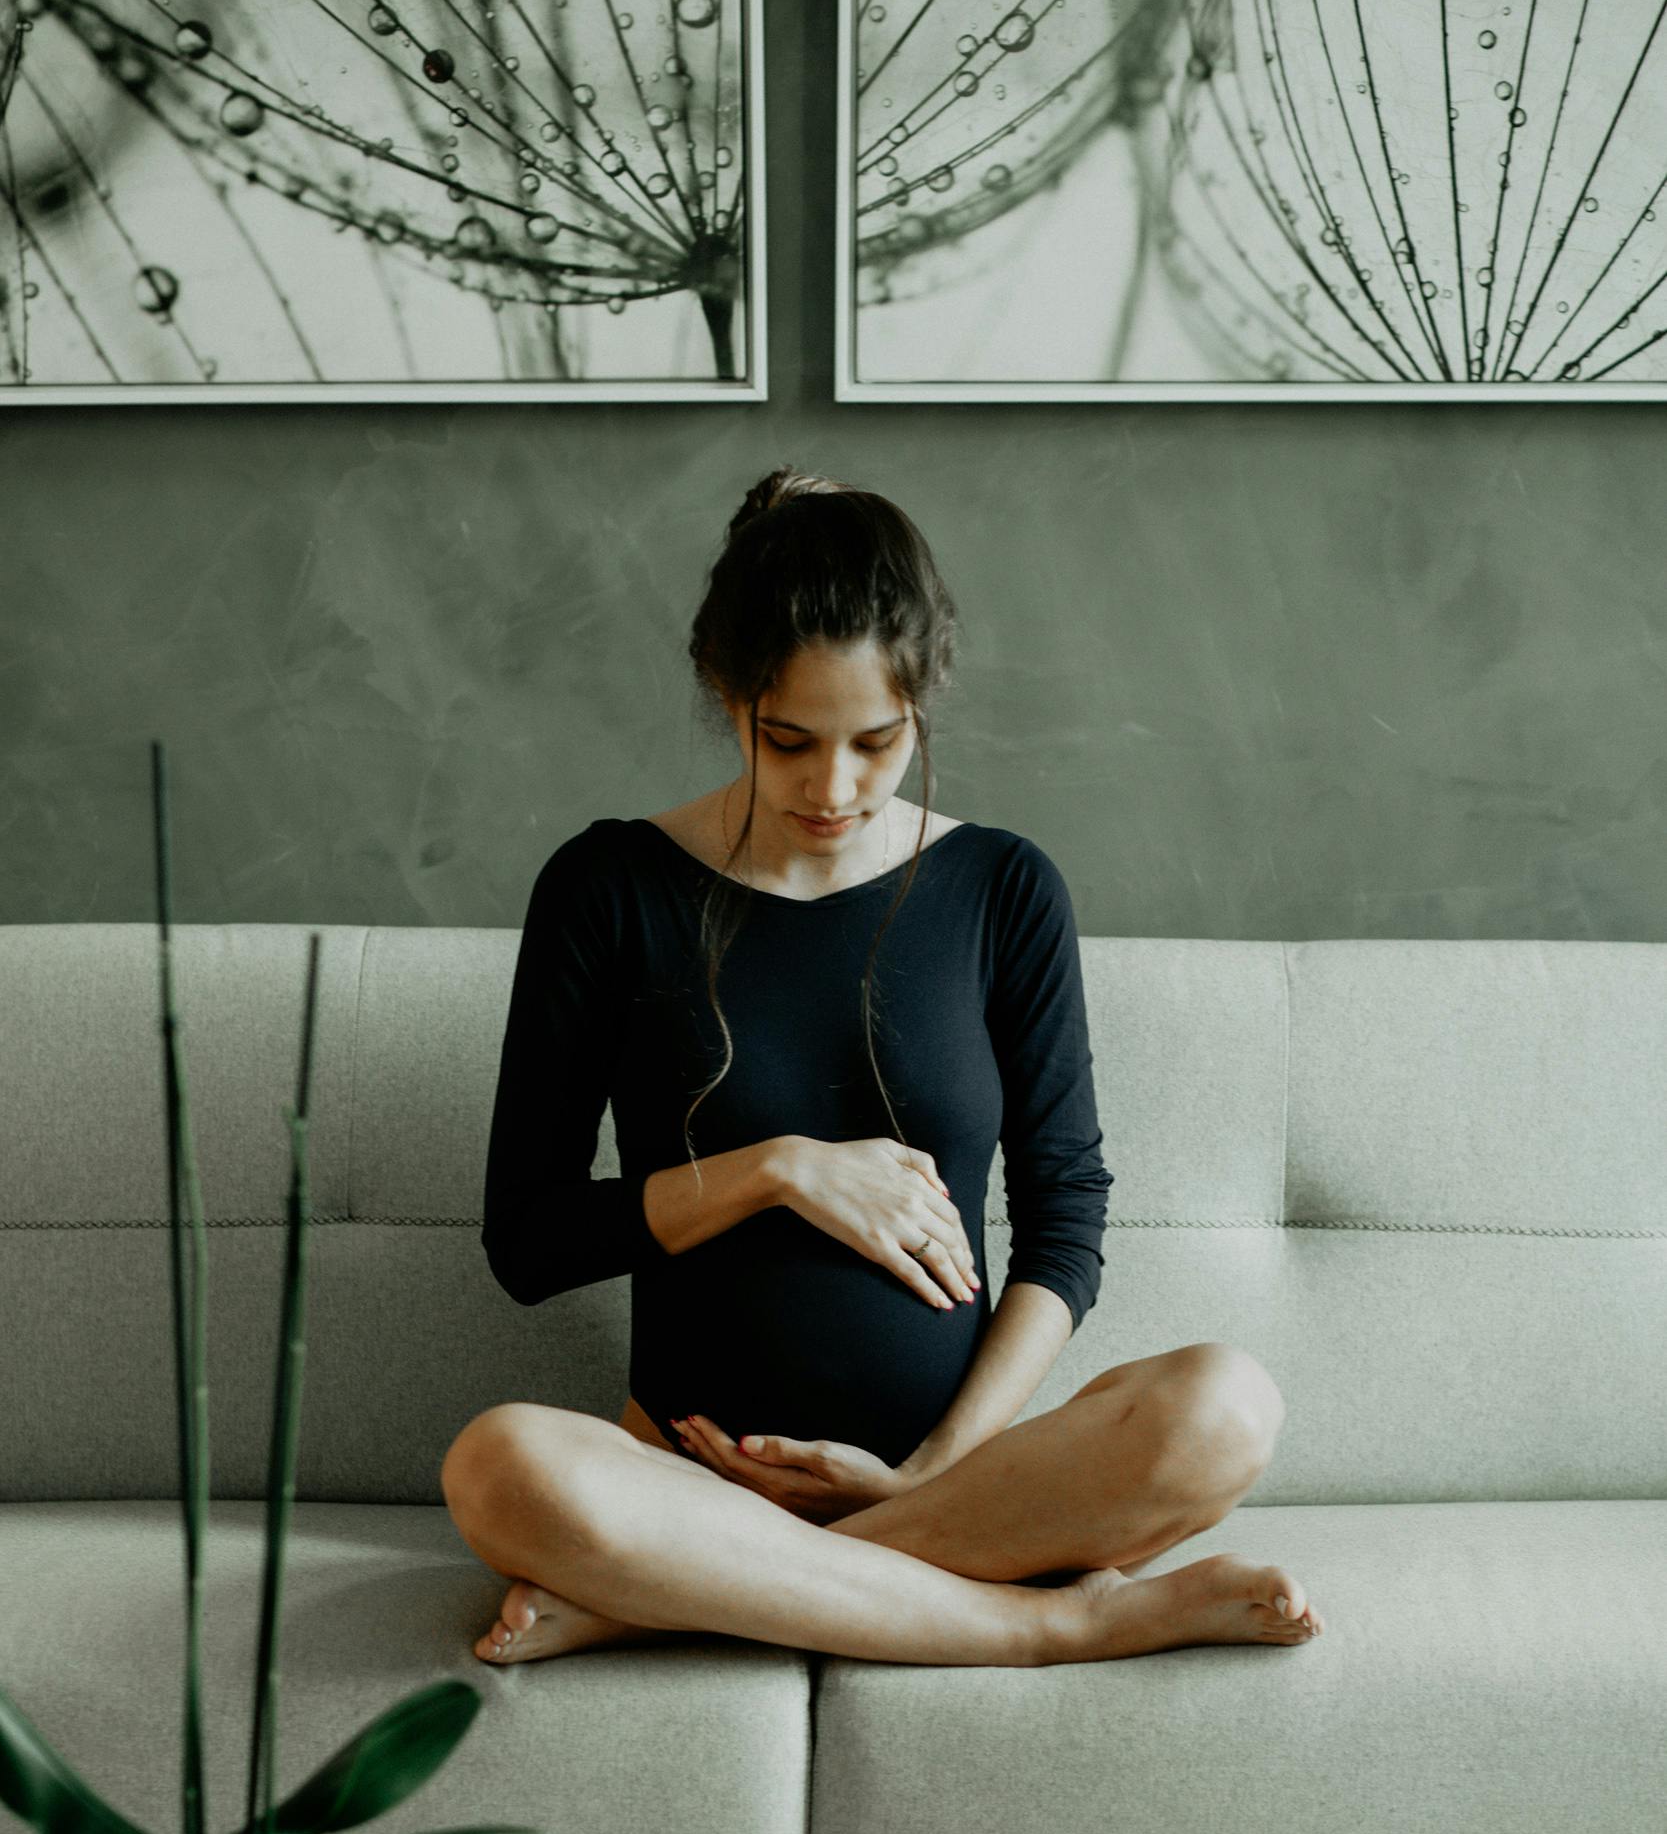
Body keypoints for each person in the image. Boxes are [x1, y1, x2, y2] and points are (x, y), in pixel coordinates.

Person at [441, 468, 1323, 1669]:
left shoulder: (1002, 888)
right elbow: (529, 1240)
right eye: (786, 740)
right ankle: (1045, 1620)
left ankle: (689, 1594)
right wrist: (778, 1170)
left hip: (962, 1474)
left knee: (1225, 1407)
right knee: (496, 1466)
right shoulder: (607, 889)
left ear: (925, 701)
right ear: (722, 689)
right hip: (685, 1479)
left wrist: (931, 1464)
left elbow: (1065, 1216)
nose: (833, 788)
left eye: (878, 741)